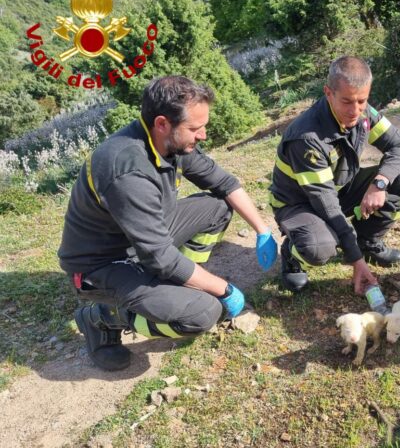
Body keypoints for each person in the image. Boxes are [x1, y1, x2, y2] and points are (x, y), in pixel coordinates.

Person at [58, 75, 278, 371]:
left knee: (216, 207)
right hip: (103, 264)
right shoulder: (127, 170)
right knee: (204, 313)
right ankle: (101, 318)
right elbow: (160, 257)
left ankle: (184, 282)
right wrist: (224, 289)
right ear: (162, 123)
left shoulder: (170, 143)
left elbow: (224, 184)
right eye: (195, 128)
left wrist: (263, 231)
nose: (203, 136)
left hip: (145, 239)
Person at [269, 56, 400, 294]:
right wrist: (355, 261)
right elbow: (326, 204)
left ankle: (367, 242)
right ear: (328, 92)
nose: (355, 111)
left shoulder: (363, 113)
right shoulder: (307, 138)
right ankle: (293, 254)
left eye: (362, 100)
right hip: (299, 204)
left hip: (339, 187)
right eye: (347, 101)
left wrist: (379, 184)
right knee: (321, 248)